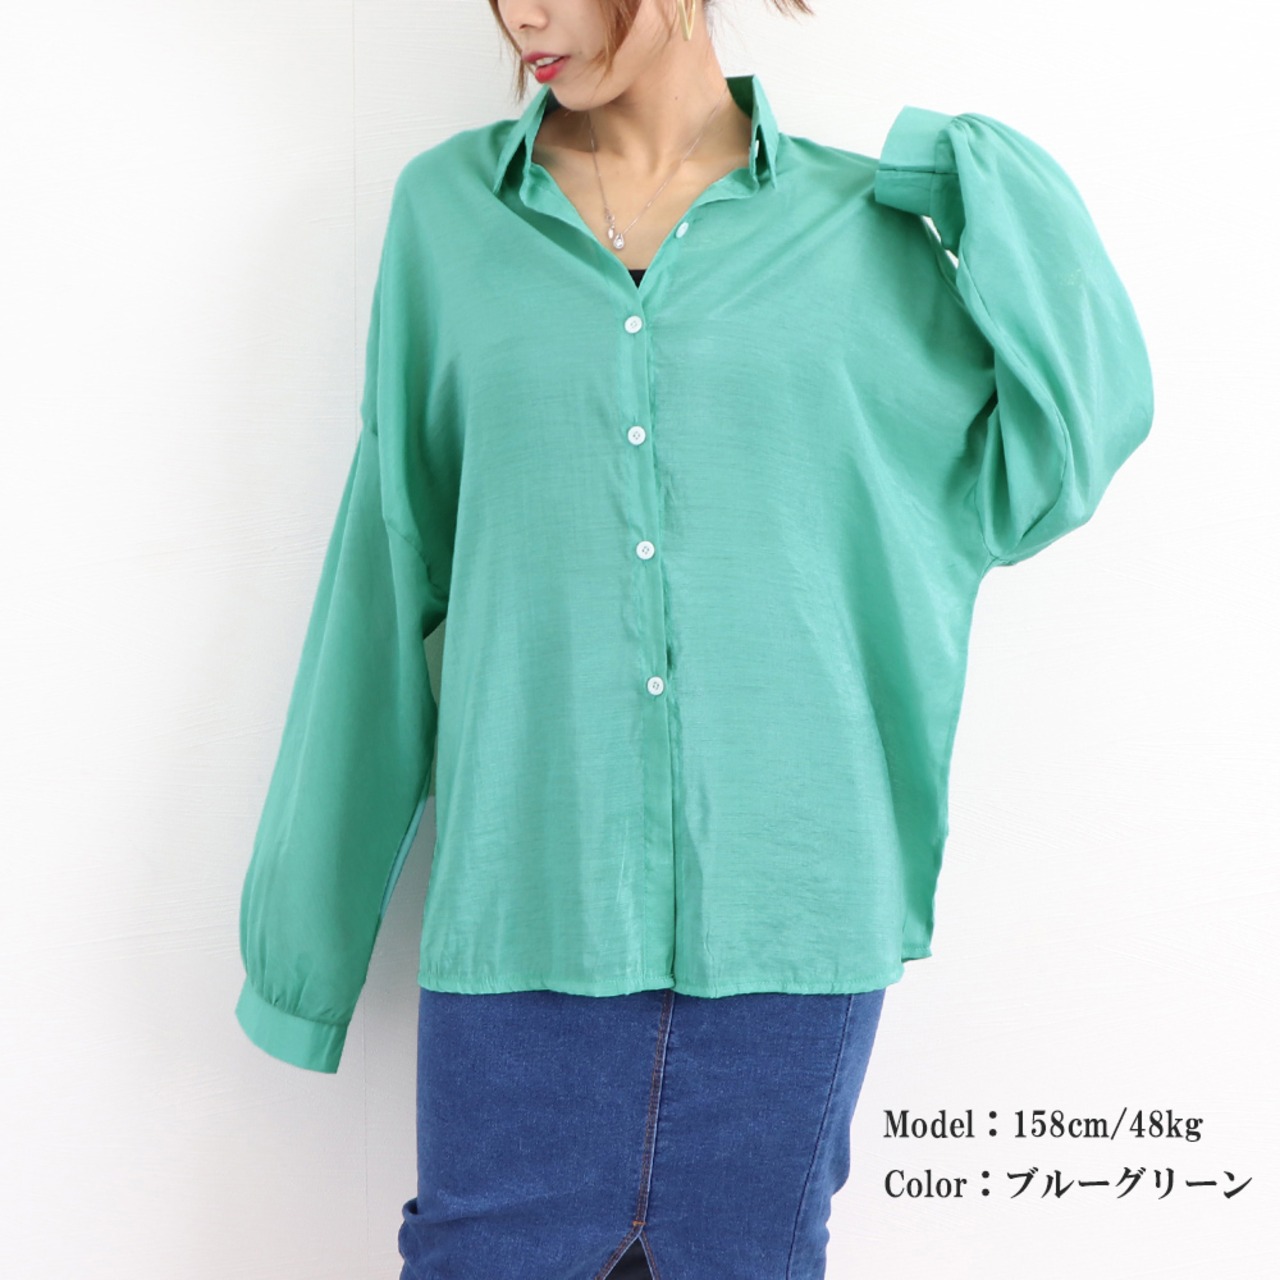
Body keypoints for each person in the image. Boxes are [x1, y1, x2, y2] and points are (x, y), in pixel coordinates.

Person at [234, 1, 1154, 1276]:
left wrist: (964, 177)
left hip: (791, 922)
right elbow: (387, 573)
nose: (522, 16)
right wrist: (306, 946)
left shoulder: (866, 233)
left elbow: (1060, 446)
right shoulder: (447, 216)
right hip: (527, 907)